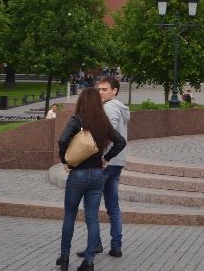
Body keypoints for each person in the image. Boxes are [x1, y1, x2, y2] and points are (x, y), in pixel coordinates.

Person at [58, 86, 124, 271]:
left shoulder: (77, 119)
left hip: (78, 174)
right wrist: (106, 158)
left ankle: (64, 258)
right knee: (93, 218)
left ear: (82, 101)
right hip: (97, 174)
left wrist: (65, 160)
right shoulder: (103, 121)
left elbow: (62, 140)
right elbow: (121, 141)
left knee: (69, 216)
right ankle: (89, 261)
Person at [77, 75, 130, 261]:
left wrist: (103, 157)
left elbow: (109, 134)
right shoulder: (121, 107)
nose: (100, 92)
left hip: (105, 164)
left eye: (104, 89)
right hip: (118, 164)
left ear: (114, 90)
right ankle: (116, 246)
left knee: (91, 206)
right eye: (98, 89)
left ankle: (95, 244)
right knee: (113, 207)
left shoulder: (109, 108)